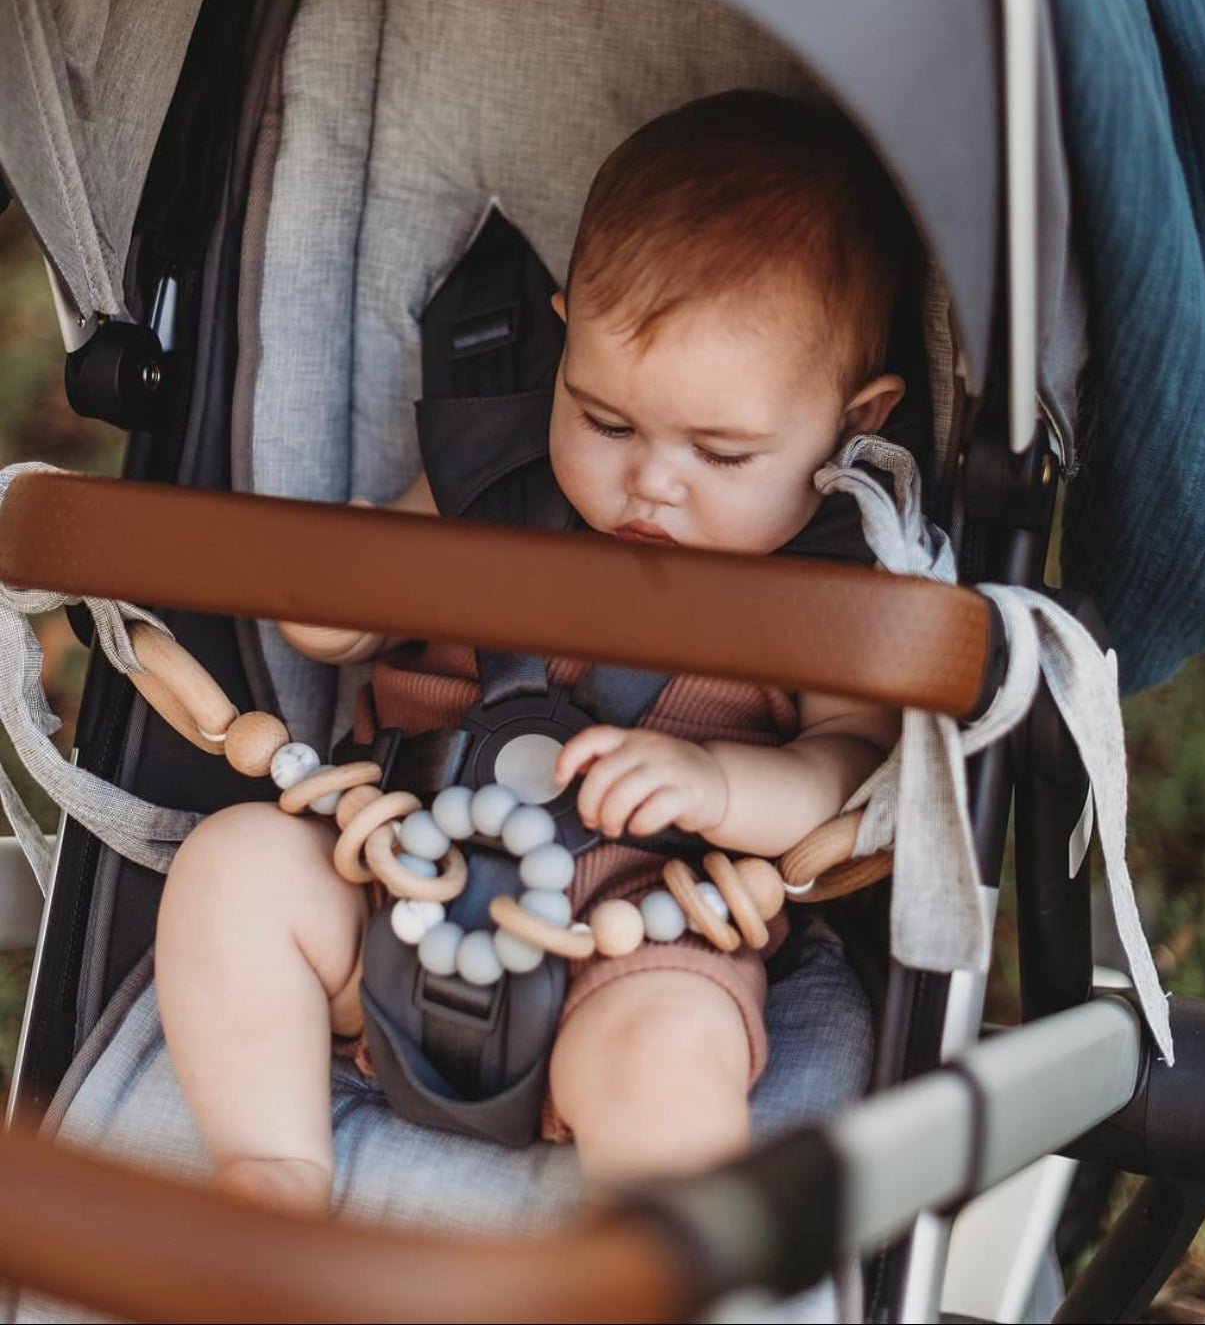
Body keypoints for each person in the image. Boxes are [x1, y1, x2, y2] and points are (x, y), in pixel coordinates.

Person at [155, 90, 915, 1213]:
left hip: (638, 940)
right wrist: (334, 588)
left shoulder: (825, 580)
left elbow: (849, 775)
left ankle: (639, 1268)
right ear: (563, 342)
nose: (651, 480)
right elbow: (337, 618)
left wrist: (717, 782)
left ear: (855, 424)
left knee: (672, 1052)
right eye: (606, 421)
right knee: (233, 864)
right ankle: (270, 1168)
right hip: (397, 895)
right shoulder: (498, 482)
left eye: (721, 451)